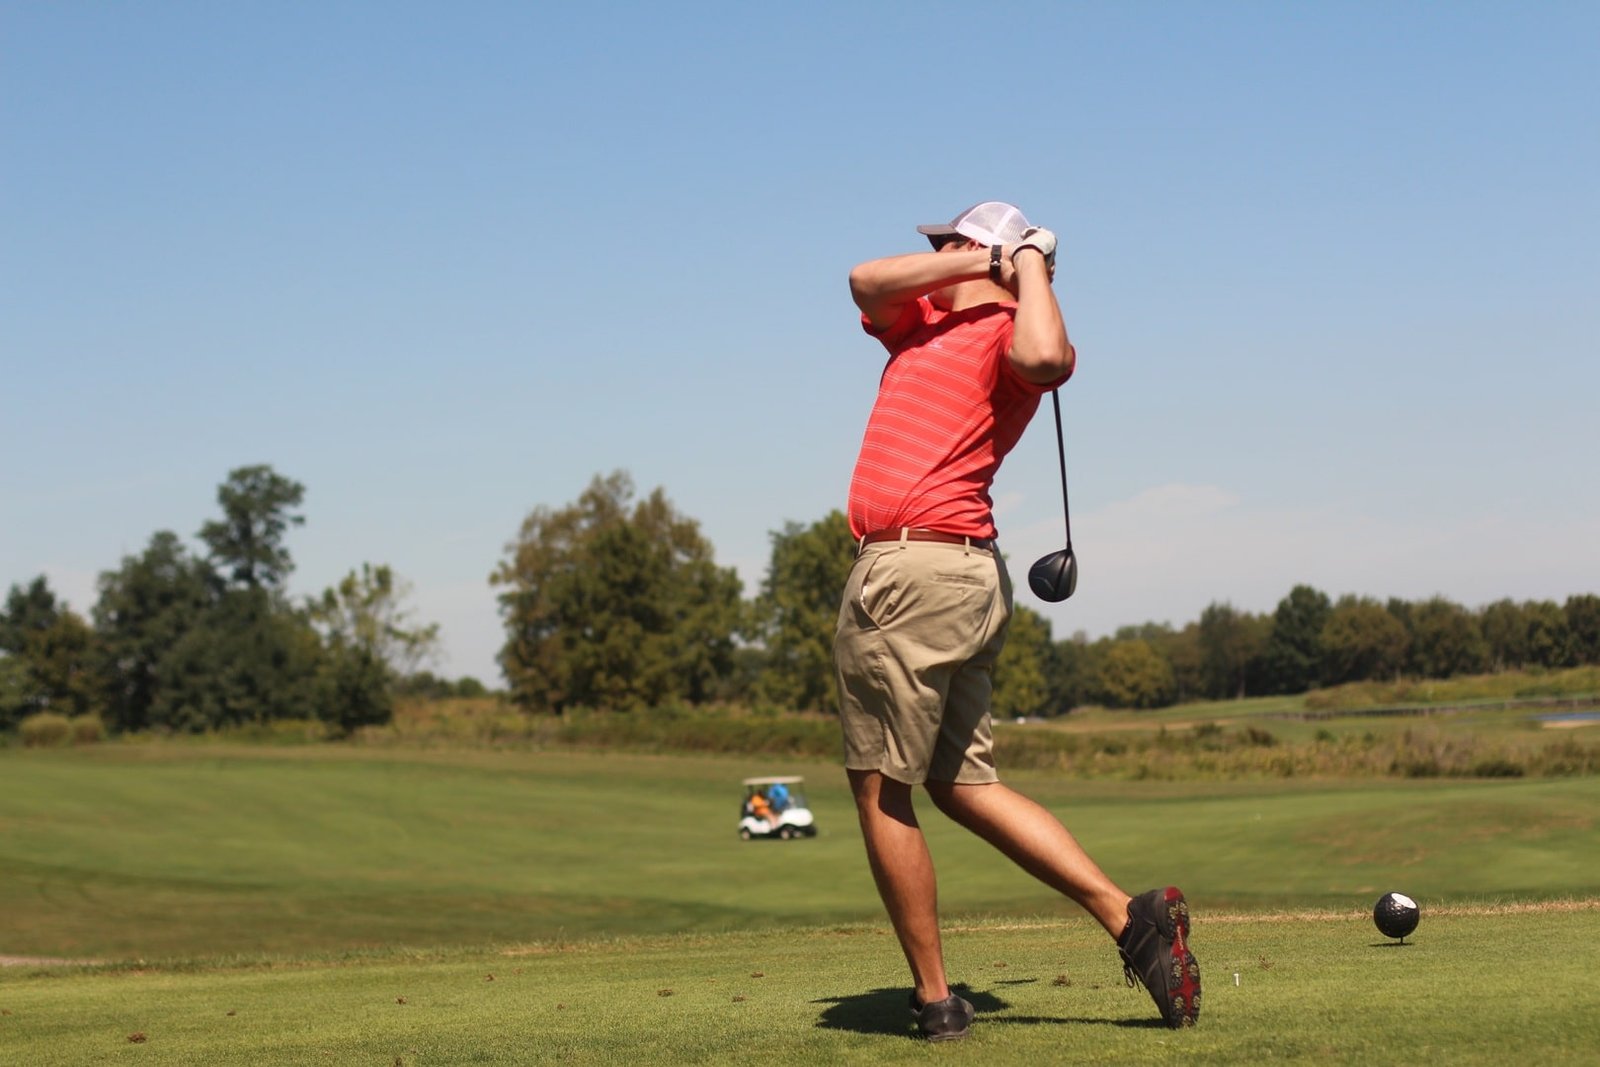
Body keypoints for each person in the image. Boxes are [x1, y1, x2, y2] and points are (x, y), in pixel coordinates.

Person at [832, 202, 1201, 1042]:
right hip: (953, 576)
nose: (935, 259)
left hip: (912, 570)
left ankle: (934, 999)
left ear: (989, 257)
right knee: (963, 783)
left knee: (879, 784)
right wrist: (982, 262)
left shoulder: (1012, 329)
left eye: (951, 245)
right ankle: (1131, 919)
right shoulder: (921, 322)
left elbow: (1045, 355)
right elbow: (865, 280)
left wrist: (1022, 265)